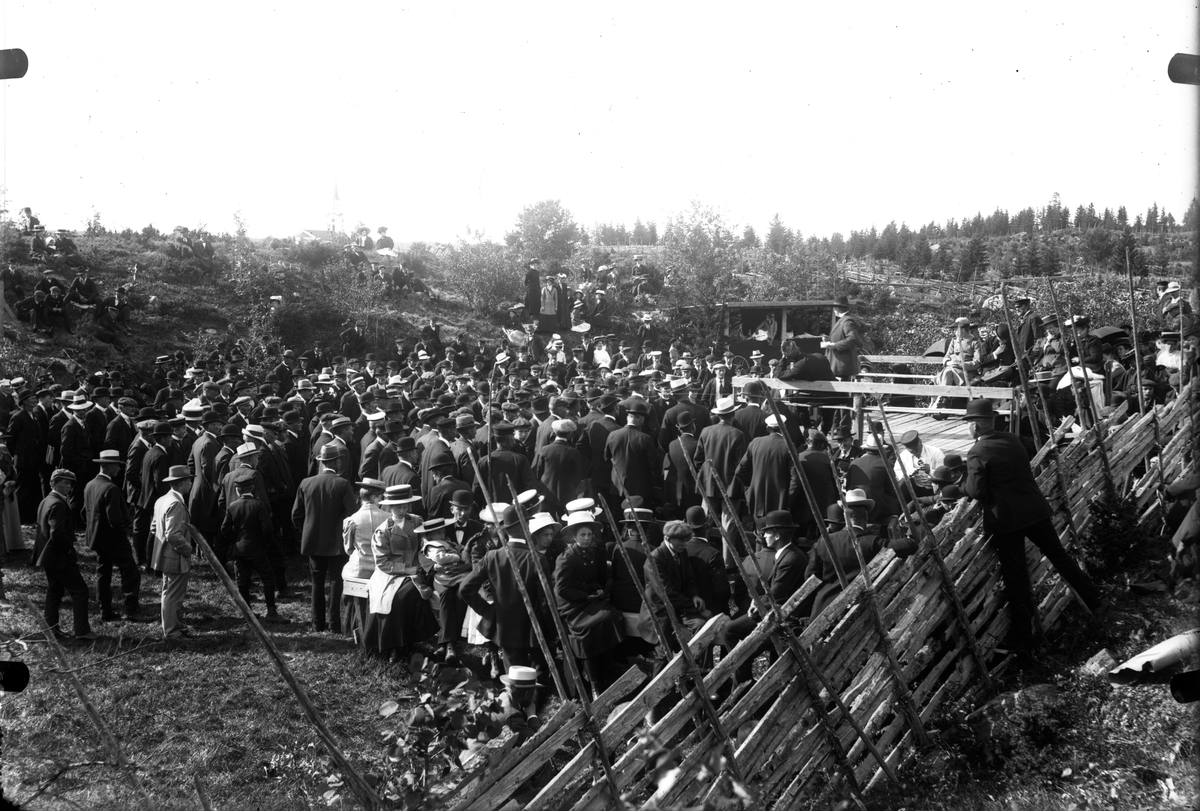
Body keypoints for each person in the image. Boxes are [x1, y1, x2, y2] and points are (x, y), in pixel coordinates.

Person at [960, 399, 1105, 659]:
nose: (969, 428)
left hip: (1007, 520)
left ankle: (1022, 640)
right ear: (991, 421)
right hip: (1034, 509)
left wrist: (962, 485)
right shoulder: (1013, 440)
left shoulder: (977, 451)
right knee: (1060, 557)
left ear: (975, 426)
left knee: (1017, 578)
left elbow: (976, 490)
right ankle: (1096, 602)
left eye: (969, 423)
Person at [459, 506, 557, 680]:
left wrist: (489, 612)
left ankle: (515, 697)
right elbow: (545, 602)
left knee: (514, 677)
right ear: (525, 527)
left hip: (505, 627)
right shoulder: (537, 559)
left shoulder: (492, 557)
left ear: (507, 530)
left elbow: (465, 589)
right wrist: (551, 631)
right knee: (539, 675)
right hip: (534, 629)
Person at [720, 510, 808, 684]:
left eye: (767, 532)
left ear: (776, 535)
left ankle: (744, 683)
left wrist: (757, 605)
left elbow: (778, 594)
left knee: (732, 634)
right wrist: (757, 601)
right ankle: (744, 680)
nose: (764, 536)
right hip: (775, 612)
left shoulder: (790, 559)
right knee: (734, 635)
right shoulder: (787, 554)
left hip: (783, 619)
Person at [554, 511, 626, 695]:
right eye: (582, 535)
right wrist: (586, 596)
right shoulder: (567, 558)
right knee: (590, 629)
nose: (586, 538)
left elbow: (592, 580)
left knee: (612, 616)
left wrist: (597, 590)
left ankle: (606, 672)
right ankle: (594, 684)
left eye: (589, 534)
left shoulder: (592, 553)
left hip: (588, 600)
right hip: (572, 606)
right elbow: (562, 589)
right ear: (573, 537)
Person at [368, 484, 438, 661]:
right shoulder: (383, 531)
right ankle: (394, 645)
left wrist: (426, 563)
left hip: (416, 570)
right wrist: (407, 570)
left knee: (407, 595)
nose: (403, 509)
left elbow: (424, 546)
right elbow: (382, 562)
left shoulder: (416, 521)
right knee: (391, 599)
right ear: (390, 507)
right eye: (398, 506)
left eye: (406, 505)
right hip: (390, 573)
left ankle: (406, 642)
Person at [292, 444, 358, 633]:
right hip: (337, 544)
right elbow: (352, 515)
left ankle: (317, 624)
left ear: (321, 462)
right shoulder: (342, 484)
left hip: (313, 541)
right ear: (337, 462)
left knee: (317, 583)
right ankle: (335, 624)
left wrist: (306, 530)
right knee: (337, 582)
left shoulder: (306, 483)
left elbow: (296, 515)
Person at [34, 470, 98, 641]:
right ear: (53, 483)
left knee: (54, 591)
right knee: (80, 591)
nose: (69, 486)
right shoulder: (58, 504)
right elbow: (57, 533)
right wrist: (69, 548)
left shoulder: (46, 500)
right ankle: (82, 630)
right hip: (59, 556)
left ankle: (51, 629)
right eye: (64, 482)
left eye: (70, 483)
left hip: (48, 556)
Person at [220, 468, 286, 623]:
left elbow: (225, 529)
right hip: (257, 549)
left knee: (242, 581)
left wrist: (236, 540)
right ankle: (271, 612)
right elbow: (268, 528)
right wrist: (263, 542)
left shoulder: (232, 506)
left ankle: (247, 613)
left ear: (237, 490)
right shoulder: (259, 505)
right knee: (268, 578)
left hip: (240, 550)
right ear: (252, 488)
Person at [83, 450, 142, 621]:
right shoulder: (111, 488)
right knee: (131, 572)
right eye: (117, 466)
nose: (119, 469)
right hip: (113, 540)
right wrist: (123, 538)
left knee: (103, 573)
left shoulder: (90, 485)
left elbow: (84, 512)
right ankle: (132, 611)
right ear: (108, 466)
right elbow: (115, 520)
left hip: (97, 539)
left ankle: (105, 611)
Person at [149, 464, 199, 640]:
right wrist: (188, 549)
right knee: (173, 595)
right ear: (182, 483)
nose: (191, 484)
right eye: (189, 481)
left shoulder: (162, 500)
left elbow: (154, 528)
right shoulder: (176, 503)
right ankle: (171, 632)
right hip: (175, 557)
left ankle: (172, 626)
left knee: (168, 592)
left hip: (165, 555)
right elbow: (173, 535)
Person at [416, 515, 473, 663]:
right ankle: (451, 646)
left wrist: (461, 563)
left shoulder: (449, 543)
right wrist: (436, 567)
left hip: (458, 577)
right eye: (438, 533)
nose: (442, 534)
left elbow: (465, 554)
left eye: (443, 531)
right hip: (440, 579)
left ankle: (445, 644)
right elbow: (426, 562)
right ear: (429, 535)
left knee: (461, 595)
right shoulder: (427, 547)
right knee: (446, 594)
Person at [340, 477, 389, 641]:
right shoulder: (388, 517)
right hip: (381, 570)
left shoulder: (351, 520)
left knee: (346, 571)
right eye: (381, 497)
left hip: (359, 570)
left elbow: (348, 549)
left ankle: (351, 626)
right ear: (375, 497)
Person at [820, 296, 863, 433]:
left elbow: (853, 339)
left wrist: (833, 345)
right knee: (839, 398)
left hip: (843, 367)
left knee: (843, 399)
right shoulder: (843, 320)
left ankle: (843, 428)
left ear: (838, 308)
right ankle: (837, 426)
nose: (833, 310)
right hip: (838, 366)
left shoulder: (847, 321)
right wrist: (829, 339)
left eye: (834, 307)